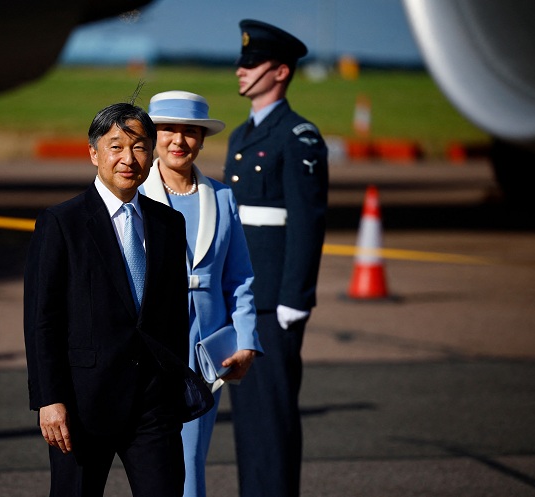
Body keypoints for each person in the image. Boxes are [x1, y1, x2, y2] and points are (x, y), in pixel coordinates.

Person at [24, 100, 212, 497]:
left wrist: (174, 389)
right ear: (94, 153)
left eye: (140, 146)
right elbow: (43, 319)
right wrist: (49, 398)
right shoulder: (62, 223)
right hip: (81, 404)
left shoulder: (168, 223)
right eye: (116, 146)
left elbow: (174, 316)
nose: (129, 159)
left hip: (153, 406)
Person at [138, 90, 262, 497]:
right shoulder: (132, 196)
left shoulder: (222, 198)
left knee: (191, 463)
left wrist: (245, 339)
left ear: (203, 139)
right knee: (150, 463)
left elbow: (239, 277)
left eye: (190, 131)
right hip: (148, 348)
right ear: (153, 135)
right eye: (168, 129)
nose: (179, 140)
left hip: (204, 352)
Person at [224, 19, 329, 497]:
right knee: (248, 420)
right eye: (242, 61)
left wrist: (295, 297)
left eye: (253, 63)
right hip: (245, 295)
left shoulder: (298, 136)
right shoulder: (241, 135)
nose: (242, 71)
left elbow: (307, 224)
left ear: (281, 71)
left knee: (274, 416)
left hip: (274, 303)